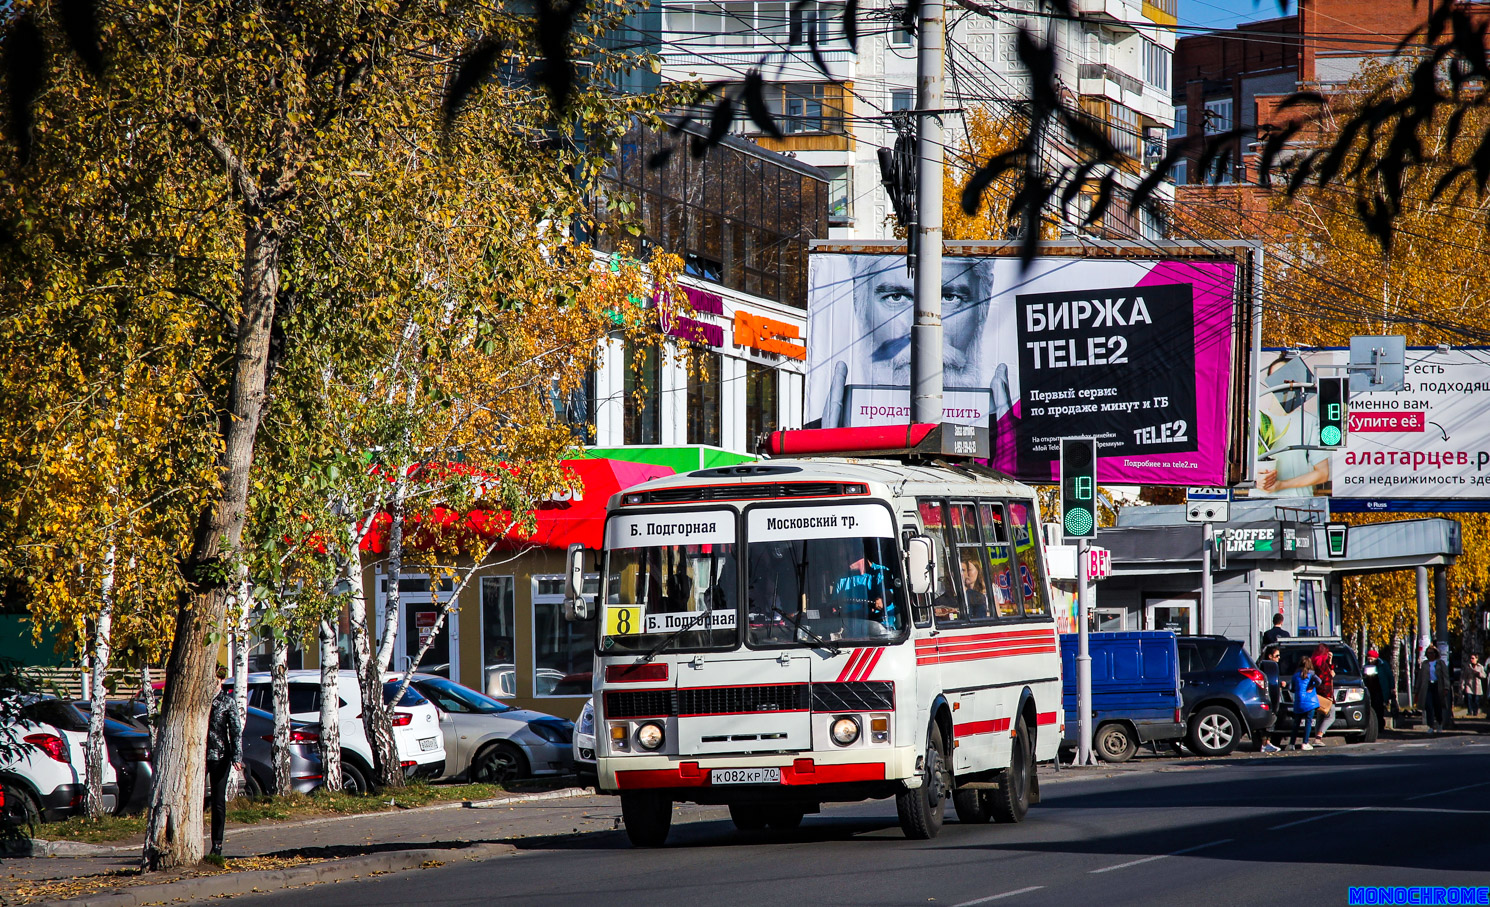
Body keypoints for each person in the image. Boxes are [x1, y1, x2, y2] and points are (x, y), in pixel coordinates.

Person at [1256, 355, 1331, 497]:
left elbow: (1322, 473)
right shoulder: (1254, 421)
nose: (1283, 384)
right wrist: (1256, 480)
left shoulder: (1309, 421)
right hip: (1259, 504)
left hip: (1299, 503)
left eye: (1288, 378)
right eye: (1277, 378)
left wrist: (1282, 485)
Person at [205, 665, 243, 857]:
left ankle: (217, 844)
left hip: (220, 756)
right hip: (201, 757)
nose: (212, 683)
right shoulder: (200, 701)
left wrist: (237, 756)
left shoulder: (227, 702)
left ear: (221, 681)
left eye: (216, 679)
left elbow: (235, 731)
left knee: (218, 800)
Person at [1417, 646, 1451, 732]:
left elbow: (1445, 676)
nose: (1430, 655)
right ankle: (1431, 726)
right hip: (1427, 686)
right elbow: (1420, 677)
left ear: (1435, 654)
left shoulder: (1440, 663)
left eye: (1432, 653)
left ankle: (1439, 723)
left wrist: (1446, 687)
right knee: (1428, 706)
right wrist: (1417, 689)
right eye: (1428, 653)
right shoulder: (1425, 664)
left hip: (1437, 686)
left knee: (1438, 705)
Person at [1290, 656, 1320, 751]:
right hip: (1310, 702)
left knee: (1296, 723)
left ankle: (1291, 743)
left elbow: (1291, 688)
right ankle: (1305, 742)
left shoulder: (1295, 675)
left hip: (1299, 702)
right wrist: (1312, 686)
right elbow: (1319, 681)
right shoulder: (1311, 674)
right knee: (1308, 722)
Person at [1257, 646, 1283, 753]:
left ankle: (1267, 742)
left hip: (1273, 696)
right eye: (1276, 656)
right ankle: (1265, 743)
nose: (1279, 658)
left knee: (1272, 720)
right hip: (1268, 697)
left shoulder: (1273, 667)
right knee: (1269, 719)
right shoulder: (1266, 668)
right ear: (1270, 656)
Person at [1311, 643, 1337, 745]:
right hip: (1325, 693)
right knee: (1331, 715)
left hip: (1317, 693)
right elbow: (1324, 679)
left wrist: (1330, 662)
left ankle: (1317, 737)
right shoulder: (1321, 665)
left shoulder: (1314, 663)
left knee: (1321, 715)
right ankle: (1319, 736)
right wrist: (1329, 696)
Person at [1363, 648, 1391, 726]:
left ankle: (1380, 724)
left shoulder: (1382, 665)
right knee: (1371, 707)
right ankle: (1372, 724)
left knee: (1379, 708)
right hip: (1370, 690)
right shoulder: (1366, 665)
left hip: (1380, 690)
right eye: (1369, 659)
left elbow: (1389, 676)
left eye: (1371, 659)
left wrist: (1392, 688)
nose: (1370, 661)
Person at [1462, 653, 1485, 718]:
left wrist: (1479, 674)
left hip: (1477, 686)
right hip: (1469, 685)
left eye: (1473, 658)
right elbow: (1464, 677)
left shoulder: (1480, 667)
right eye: (1471, 658)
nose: (1471, 660)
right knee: (1469, 698)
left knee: (1476, 700)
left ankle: (1475, 711)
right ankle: (1469, 711)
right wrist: (1463, 685)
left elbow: (1484, 676)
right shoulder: (1468, 667)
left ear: (1476, 659)